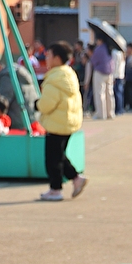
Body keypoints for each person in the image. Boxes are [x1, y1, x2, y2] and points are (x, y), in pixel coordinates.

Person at [36, 41, 88, 202]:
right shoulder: (68, 74)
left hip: (56, 124)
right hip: (67, 122)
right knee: (59, 156)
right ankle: (76, 179)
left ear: (57, 58)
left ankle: (56, 189)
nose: (47, 57)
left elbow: (47, 104)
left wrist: (37, 104)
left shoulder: (54, 78)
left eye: (49, 55)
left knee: (52, 160)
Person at [0, 57, 38, 130]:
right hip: (32, 116)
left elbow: (2, 102)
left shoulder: (6, 77)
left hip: (18, 119)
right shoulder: (16, 71)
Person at [89, 37, 115, 119]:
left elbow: (93, 61)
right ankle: (110, 113)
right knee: (109, 93)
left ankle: (101, 114)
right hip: (109, 73)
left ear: (100, 40)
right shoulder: (110, 49)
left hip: (100, 72)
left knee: (100, 93)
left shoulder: (98, 49)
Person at [111, 45, 125, 116]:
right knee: (120, 92)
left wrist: (113, 77)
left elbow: (114, 65)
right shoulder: (122, 54)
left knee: (116, 93)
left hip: (116, 75)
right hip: (121, 75)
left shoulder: (115, 53)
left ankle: (117, 109)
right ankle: (120, 109)